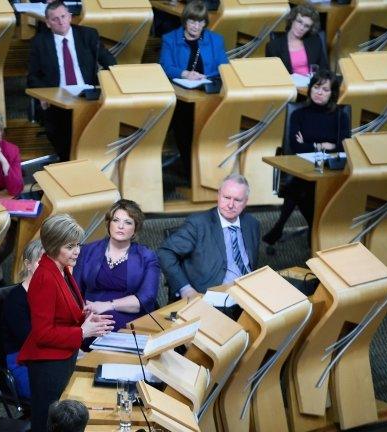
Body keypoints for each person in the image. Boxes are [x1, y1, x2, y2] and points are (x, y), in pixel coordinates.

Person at [18, 214, 114, 432]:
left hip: (63, 357)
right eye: (70, 246)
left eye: (78, 244)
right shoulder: (44, 278)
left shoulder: (61, 269)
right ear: (53, 246)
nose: (77, 251)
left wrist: (86, 318)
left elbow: (63, 313)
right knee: (47, 424)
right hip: (48, 366)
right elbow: (42, 334)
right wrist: (82, 332)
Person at [263, 70, 350, 248]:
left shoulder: (341, 116)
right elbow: (296, 147)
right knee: (302, 185)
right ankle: (314, 227)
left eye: (325, 90)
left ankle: (281, 225)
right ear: (310, 89)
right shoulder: (298, 114)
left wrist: (312, 144)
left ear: (332, 93)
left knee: (297, 188)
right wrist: (323, 145)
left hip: (331, 169)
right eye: (316, 87)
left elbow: (343, 147)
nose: (319, 93)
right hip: (304, 167)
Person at [27, 1, 117, 161]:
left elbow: (111, 63)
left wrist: (107, 83)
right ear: (47, 23)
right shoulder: (39, 42)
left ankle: (86, 164)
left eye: (63, 16)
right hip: (57, 99)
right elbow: (32, 77)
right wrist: (42, 96)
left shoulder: (88, 35)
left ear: (70, 17)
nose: (61, 21)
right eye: (55, 19)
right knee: (63, 137)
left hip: (88, 95)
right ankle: (70, 162)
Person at [157, 174, 260, 300]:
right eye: (226, 197)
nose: (230, 205)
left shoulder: (252, 224)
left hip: (247, 291)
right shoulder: (198, 224)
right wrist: (185, 288)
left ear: (246, 202)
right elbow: (165, 252)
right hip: (212, 295)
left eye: (237, 200)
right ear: (218, 195)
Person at [159, 0, 228, 176]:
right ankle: (191, 171)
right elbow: (165, 66)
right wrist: (184, 73)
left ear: (205, 23)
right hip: (182, 94)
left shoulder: (215, 40)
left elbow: (224, 66)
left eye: (200, 22)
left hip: (208, 92)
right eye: (192, 21)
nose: (196, 26)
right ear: (185, 21)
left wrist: (207, 76)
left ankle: (208, 171)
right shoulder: (170, 39)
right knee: (183, 118)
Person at [73, 199, 160, 331]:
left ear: (135, 228)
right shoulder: (87, 251)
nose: (120, 226)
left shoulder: (147, 257)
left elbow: (146, 298)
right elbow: (75, 291)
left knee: (113, 326)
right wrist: (85, 312)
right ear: (109, 224)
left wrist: (108, 305)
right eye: (116, 220)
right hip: (90, 315)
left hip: (129, 318)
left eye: (128, 222)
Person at [1, 240, 43, 399]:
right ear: (28, 264)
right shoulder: (15, 301)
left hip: (46, 357)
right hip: (23, 362)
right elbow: (33, 341)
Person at [265, 5, 329, 75]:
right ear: (292, 19)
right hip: (289, 84)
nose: (301, 28)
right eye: (299, 22)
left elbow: (324, 68)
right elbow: (273, 75)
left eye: (306, 26)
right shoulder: (273, 46)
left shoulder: (315, 41)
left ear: (310, 29)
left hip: (312, 84)